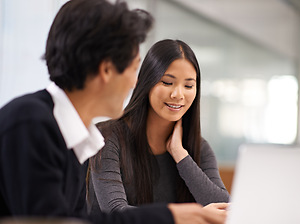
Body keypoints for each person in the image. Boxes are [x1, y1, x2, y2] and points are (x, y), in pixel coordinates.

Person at [0, 1, 226, 224]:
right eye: (134, 68)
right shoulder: (31, 124)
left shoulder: (75, 136)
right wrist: (169, 218)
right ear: (107, 70)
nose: (134, 82)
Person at [87, 39, 230, 215]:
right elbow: (116, 212)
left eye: (188, 85)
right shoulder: (108, 136)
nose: (178, 94)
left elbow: (224, 208)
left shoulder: (199, 147)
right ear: (147, 83)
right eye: (167, 82)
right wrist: (178, 220)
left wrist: (180, 154)